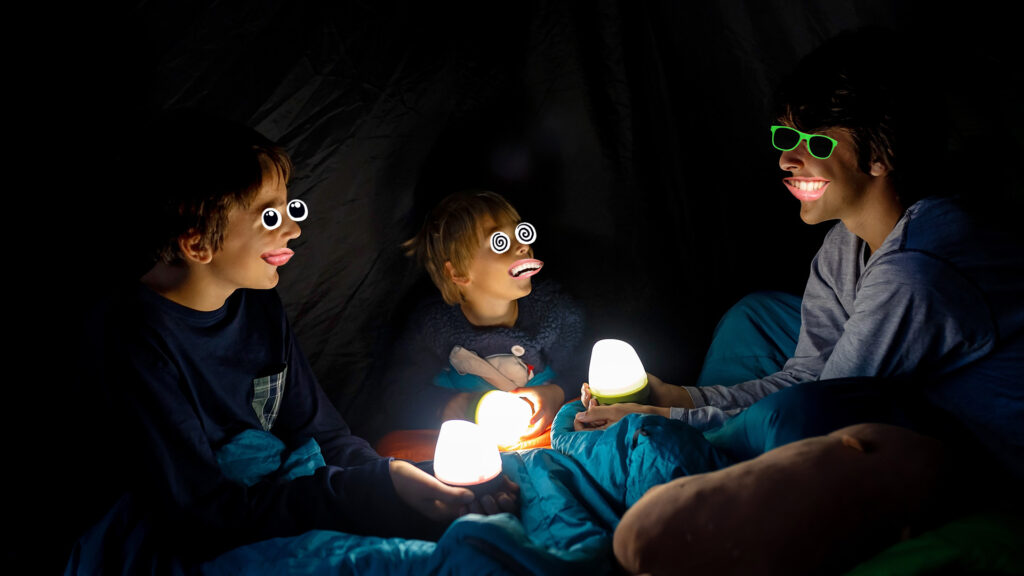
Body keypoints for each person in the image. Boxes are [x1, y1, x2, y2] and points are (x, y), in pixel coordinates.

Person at [70, 110, 517, 572]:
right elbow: (202, 514)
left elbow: (325, 435)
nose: (294, 229)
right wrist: (374, 490)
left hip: (273, 500)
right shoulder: (134, 342)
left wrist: (411, 483)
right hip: (199, 529)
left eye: (290, 208)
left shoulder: (258, 303)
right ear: (197, 243)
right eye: (270, 216)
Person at [574, 27, 1024, 480]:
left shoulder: (914, 272)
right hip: (864, 395)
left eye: (817, 143)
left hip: (986, 451)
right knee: (754, 316)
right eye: (786, 139)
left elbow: (819, 408)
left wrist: (669, 422)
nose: (787, 161)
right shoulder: (843, 244)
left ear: (882, 155)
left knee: (791, 418)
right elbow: (805, 376)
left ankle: (687, 462)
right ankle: (690, 448)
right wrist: (680, 398)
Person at [361, 190, 586, 450]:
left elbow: (583, 370)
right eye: (500, 242)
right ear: (458, 271)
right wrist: (453, 406)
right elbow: (400, 392)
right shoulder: (434, 327)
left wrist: (556, 392)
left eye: (520, 234)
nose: (523, 247)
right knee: (392, 448)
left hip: (539, 432)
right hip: (466, 441)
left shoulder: (553, 313)